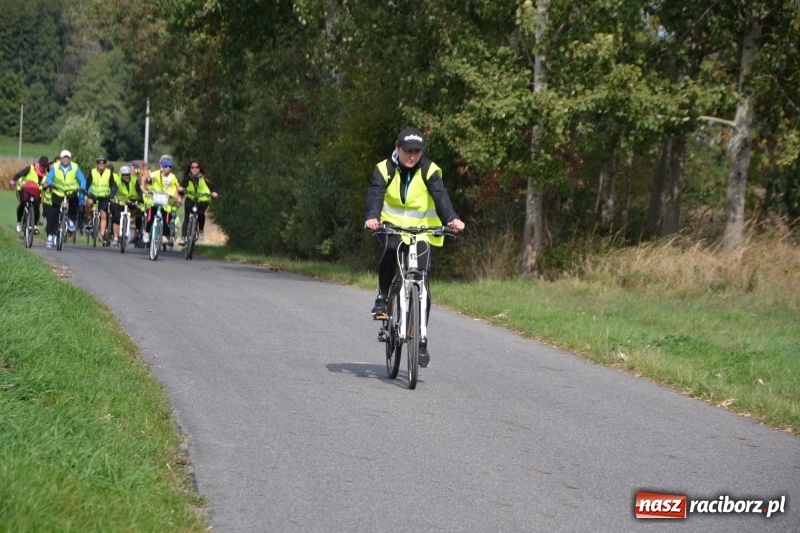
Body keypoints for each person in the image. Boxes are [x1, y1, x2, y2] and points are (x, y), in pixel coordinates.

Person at [364, 127, 465, 367]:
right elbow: (375, 194)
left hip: (421, 230)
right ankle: (383, 296)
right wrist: (372, 216)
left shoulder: (429, 169)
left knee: (422, 283)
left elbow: (440, 196)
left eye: (417, 152)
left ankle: (421, 340)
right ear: (398, 148)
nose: (412, 156)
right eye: (408, 151)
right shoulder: (384, 169)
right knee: (391, 249)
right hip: (391, 226)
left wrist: (452, 218)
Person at [44, 150, 87, 248]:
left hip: (71, 192)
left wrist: (82, 188)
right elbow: (49, 178)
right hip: (58, 192)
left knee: (74, 204)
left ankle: (70, 220)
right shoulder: (55, 166)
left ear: (70, 159)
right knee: (54, 214)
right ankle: (51, 235)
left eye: (67, 158)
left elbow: (82, 180)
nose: (66, 159)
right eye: (64, 157)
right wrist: (50, 183)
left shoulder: (75, 167)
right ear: (61, 158)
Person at [141, 155, 180, 245]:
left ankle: (164, 235)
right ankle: (146, 232)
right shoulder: (156, 173)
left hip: (166, 200)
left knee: (166, 218)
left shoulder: (173, 177)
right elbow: (144, 178)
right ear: (162, 166)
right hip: (155, 198)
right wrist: (144, 189)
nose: (168, 168)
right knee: (150, 216)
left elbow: (176, 187)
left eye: (170, 166)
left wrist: (176, 198)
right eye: (166, 166)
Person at [177, 159, 218, 245]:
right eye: (192, 167)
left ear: (200, 168)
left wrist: (214, 193)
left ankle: (201, 230)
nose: (194, 169)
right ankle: (183, 238)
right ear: (190, 169)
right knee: (187, 217)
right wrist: (181, 188)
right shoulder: (187, 177)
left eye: (197, 167)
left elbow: (212, 186)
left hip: (203, 199)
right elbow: (183, 185)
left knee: (200, 213)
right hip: (191, 197)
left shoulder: (204, 177)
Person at [9, 155, 49, 233]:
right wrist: (13, 180)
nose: (42, 167)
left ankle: (35, 225)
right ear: (39, 164)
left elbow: (45, 186)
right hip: (23, 189)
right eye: (41, 165)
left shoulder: (46, 174)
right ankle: (19, 222)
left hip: (36, 192)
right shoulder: (31, 168)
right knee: (22, 204)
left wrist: (46, 186)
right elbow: (19, 174)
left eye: (44, 166)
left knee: (36, 206)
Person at [85, 156, 118, 244]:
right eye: (99, 163)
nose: (101, 164)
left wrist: (112, 196)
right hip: (94, 194)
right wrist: (85, 191)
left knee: (103, 214)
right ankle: (89, 218)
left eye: (103, 163)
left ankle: (101, 235)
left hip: (104, 196)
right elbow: (87, 183)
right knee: (88, 203)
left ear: (105, 164)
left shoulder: (109, 173)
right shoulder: (92, 172)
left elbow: (112, 185)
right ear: (97, 164)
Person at [111, 165, 143, 246]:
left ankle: (132, 221)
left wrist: (140, 199)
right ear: (121, 174)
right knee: (116, 218)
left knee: (135, 211)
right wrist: (111, 197)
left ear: (129, 174)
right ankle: (115, 238)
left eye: (127, 174)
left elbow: (139, 191)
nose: (125, 176)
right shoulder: (117, 180)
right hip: (121, 200)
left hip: (132, 199)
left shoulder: (134, 180)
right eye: (123, 175)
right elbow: (113, 190)